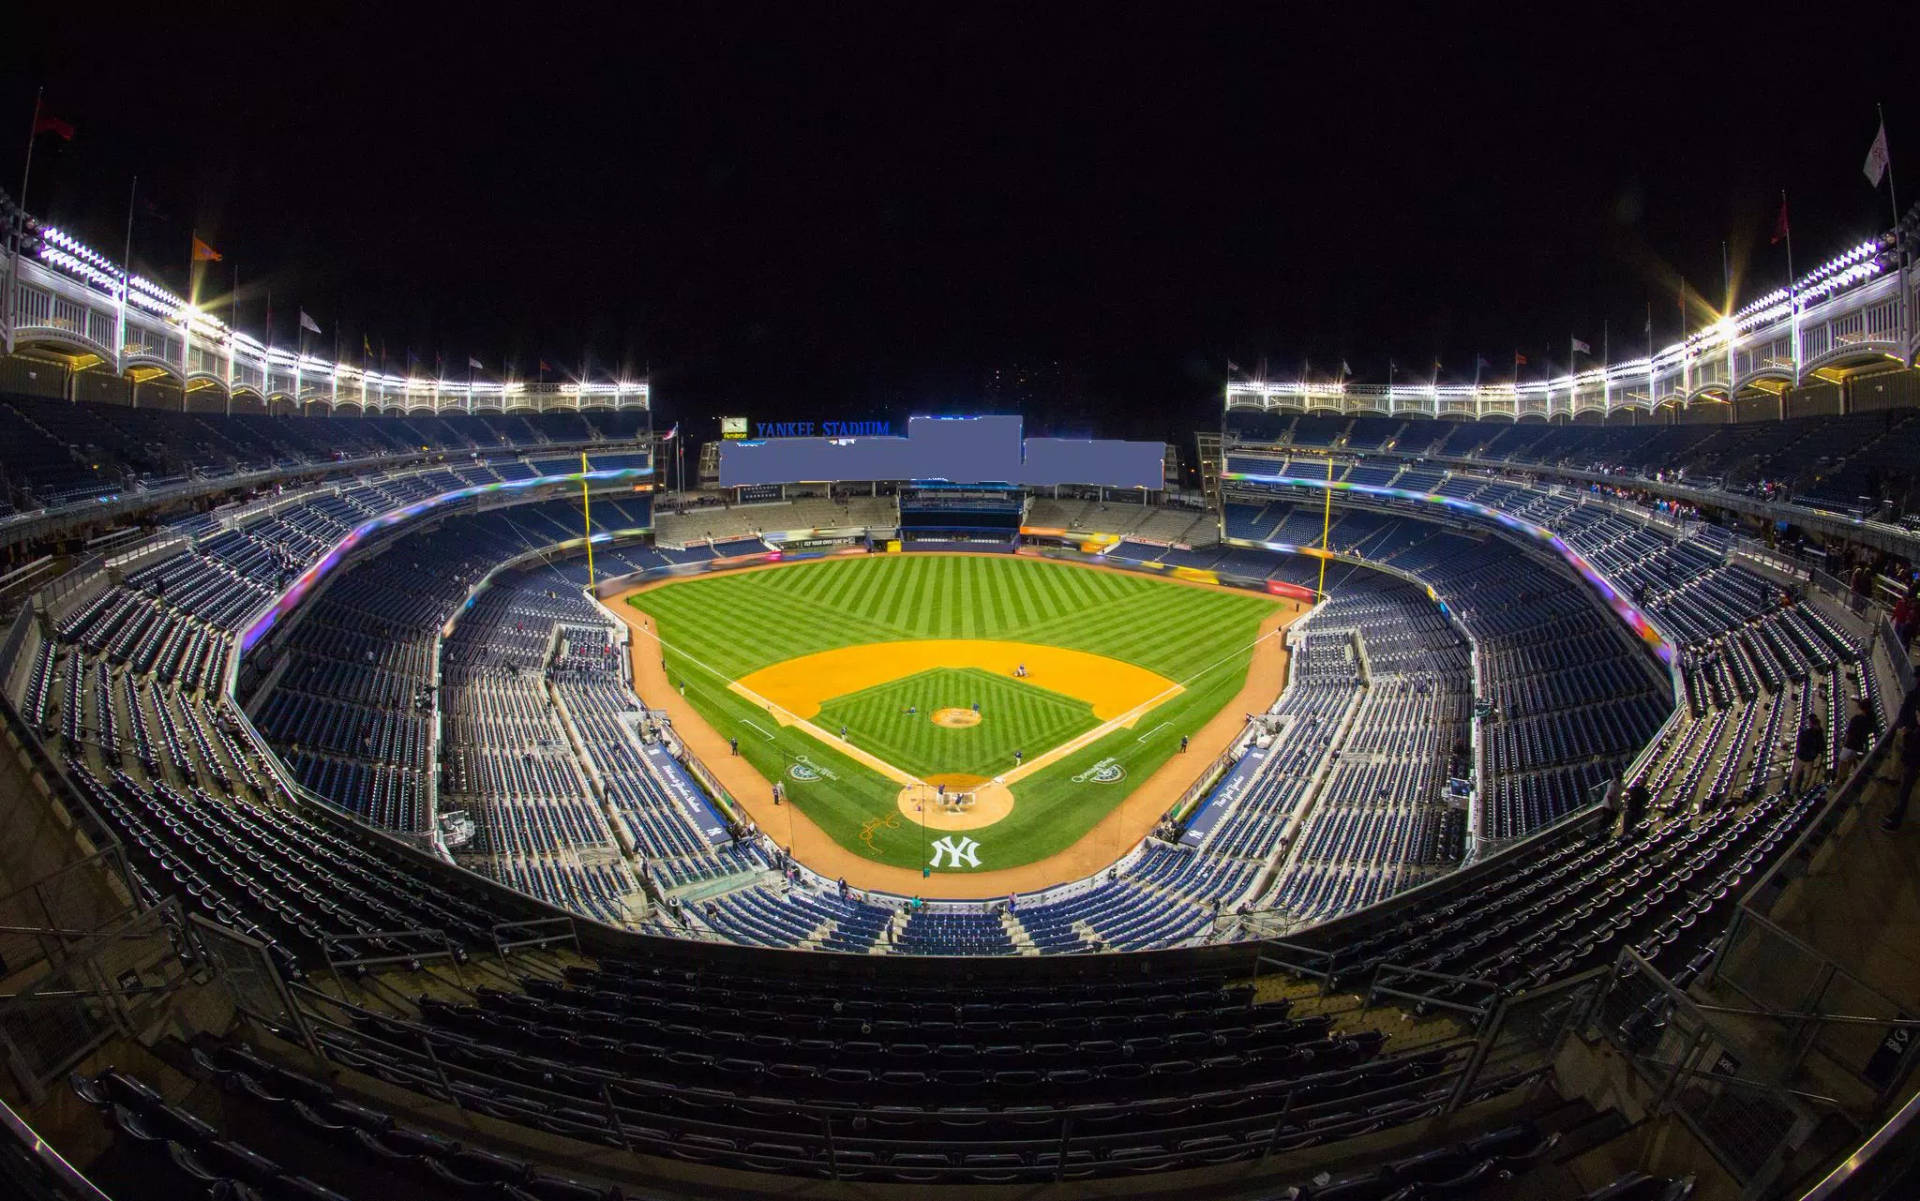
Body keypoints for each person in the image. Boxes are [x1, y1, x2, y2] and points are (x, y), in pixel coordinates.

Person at [1839, 699, 1875, 784]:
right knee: (1850, 762)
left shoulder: (1856, 719)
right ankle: (1845, 779)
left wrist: (1843, 744)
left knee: (1843, 765)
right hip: (1859, 745)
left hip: (1850, 744)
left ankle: (1841, 781)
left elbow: (1849, 733)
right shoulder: (1872, 718)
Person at [1789, 717, 1826, 795]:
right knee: (1796, 776)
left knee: (1807, 777)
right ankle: (1792, 792)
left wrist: (1814, 752)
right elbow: (1801, 744)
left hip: (1809, 759)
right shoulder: (1806, 733)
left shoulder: (1819, 735)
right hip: (1801, 757)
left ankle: (1802, 791)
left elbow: (1822, 746)